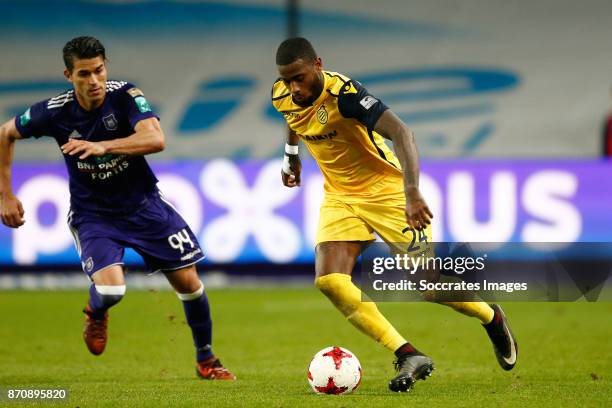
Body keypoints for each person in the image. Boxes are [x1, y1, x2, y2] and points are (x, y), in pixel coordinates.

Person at [271, 37, 517, 392]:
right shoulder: (283, 94)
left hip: (386, 192)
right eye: (287, 79)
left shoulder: (347, 96)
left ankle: (492, 317)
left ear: (318, 65)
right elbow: (292, 116)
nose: (294, 88)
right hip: (339, 196)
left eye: (299, 78)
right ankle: (408, 353)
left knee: (429, 287)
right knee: (329, 281)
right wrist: (290, 155)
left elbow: (402, 132)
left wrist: (412, 192)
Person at [0, 36, 235, 380]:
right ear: (69, 75)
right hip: (94, 215)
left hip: (144, 206)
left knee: (190, 284)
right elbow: (5, 134)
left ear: (105, 66)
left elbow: (156, 139)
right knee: (112, 290)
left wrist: (101, 146)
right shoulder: (52, 112)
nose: (93, 80)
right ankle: (96, 312)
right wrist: (5, 195)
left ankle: (207, 359)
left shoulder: (125, 95)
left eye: (99, 70)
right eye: (84, 73)